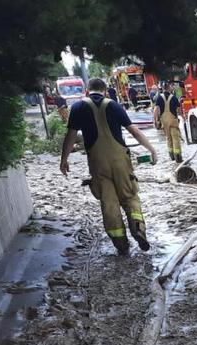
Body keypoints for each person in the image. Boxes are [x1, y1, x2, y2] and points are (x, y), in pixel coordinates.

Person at [60, 78, 159, 256]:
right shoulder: (113, 105)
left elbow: (71, 136)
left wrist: (64, 159)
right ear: (105, 91)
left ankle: (121, 244)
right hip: (120, 160)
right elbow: (134, 131)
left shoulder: (77, 108)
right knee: (130, 197)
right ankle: (138, 230)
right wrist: (151, 149)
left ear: (87, 92)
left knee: (109, 203)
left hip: (98, 163)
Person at [152, 83, 183, 163]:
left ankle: (171, 155)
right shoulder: (174, 98)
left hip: (164, 121)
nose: (173, 87)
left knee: (168, 138)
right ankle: (178, 157)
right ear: (169, 88)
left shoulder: (159, 98)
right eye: (172, 86)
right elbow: (179, 110)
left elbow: (156, 110)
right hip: (173, 120)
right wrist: (182, 116)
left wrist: (155, 120)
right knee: (175, 138)